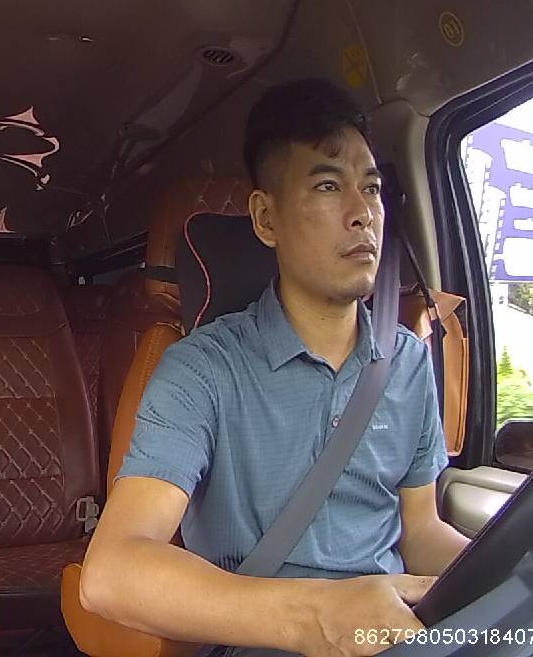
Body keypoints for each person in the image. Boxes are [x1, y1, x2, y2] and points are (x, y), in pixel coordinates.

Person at [79, 78, 471, 657]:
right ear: (266, 219)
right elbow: (111, 572)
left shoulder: (408, 361)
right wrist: (317, 617)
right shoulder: (201, 371)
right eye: (328, 186)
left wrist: (514, 570)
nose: (363, 213)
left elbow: (421, 531)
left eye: (371, 188)